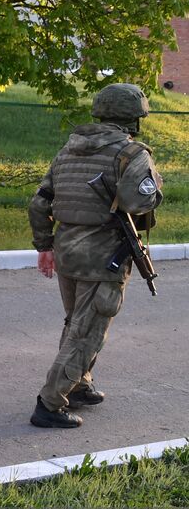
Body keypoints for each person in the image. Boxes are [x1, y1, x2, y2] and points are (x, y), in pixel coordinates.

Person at [28, 82, 163, 429]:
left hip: (68, 250)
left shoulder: (69, 151)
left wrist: (45, 245)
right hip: (103, 255)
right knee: (87, 332)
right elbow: (140, 202)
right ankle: (50, 403)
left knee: (76, 323)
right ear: (134, 118)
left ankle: (78, 385)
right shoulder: (131, 154)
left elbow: (39, 202)